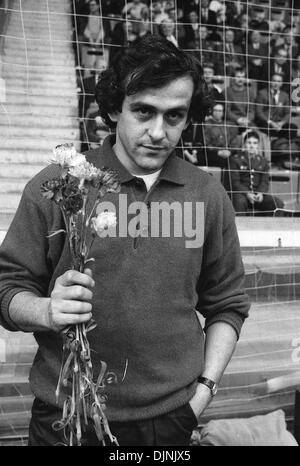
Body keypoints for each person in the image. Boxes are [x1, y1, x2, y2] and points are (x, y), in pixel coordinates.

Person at [0, 36, 249, 446]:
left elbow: (227, 304)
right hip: (66, 416)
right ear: (115, 108)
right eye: (144, 111)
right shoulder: (59, 186)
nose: (158, 132)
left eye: (174, 116)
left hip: (169, 420)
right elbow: (6, 289)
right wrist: (46, 310)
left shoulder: (207, 195)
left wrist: (202, 394)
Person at [229, 130, 284, 215]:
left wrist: (260, 193)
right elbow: (235, 182)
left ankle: (270, 227)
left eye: (255, 143)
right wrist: (247, 193)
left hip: (257, 194)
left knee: (278, 203)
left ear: (258, 145)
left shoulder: (263, 161)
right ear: (244, 145)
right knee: (240, 201)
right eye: (249, 143)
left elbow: (264, 181)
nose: (252, 146)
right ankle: (240, 227)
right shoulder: (235, 160)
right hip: (242, 194)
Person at [255, 72, 290, 138]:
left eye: (279, 81)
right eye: (274, 81)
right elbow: (259, 112)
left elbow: (288, 113)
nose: (276, 83)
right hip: (266, 122)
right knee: (265, 126)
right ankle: (277, 139)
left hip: (279, 123)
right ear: (270, 81)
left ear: (282, 83)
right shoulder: (262, 93)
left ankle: (279, 141)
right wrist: (271, 123)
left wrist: (281, 123)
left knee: (293, 128)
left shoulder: (285, 95)